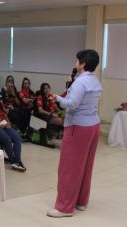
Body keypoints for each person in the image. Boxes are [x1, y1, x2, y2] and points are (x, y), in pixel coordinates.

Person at [47, 50, 103, 218]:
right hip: (93, 125)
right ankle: (81, 201)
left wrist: (57, 98)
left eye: (77, 60)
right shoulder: (95, 81)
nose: (75, 63)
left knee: (69, 167)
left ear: (83, 63)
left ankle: (64, 207)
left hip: (78, 127)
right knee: (85, 165)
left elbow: (71, 105)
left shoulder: (80, 82)